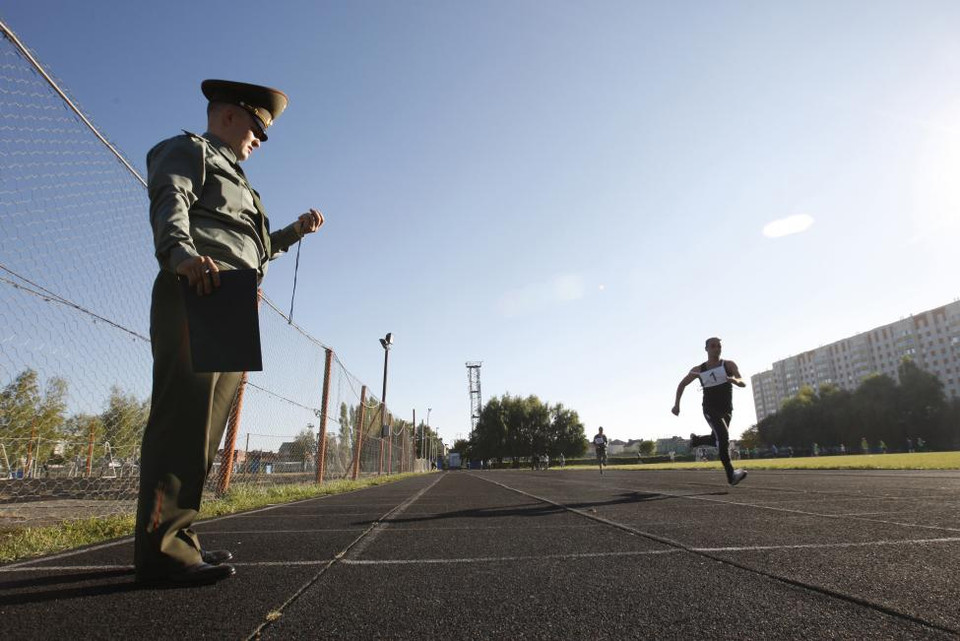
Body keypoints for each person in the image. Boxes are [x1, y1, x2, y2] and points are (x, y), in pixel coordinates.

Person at [134, 79, 325, 586]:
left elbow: (254, 247)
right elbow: (170, 198)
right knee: (182, 423)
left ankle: (180, 539)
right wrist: (181, 255)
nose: (259, 140)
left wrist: (295, 232)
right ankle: (160, 554)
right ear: (227, 116)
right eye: (257, 128)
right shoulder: (189, 150)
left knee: (205, 434)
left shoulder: (242, 184)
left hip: (232, 297)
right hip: (200, 283)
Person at [672, 337, 748, 486]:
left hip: (727, 410)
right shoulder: (699, 369)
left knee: (716, 439)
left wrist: (734, 381)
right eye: (713, 346)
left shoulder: (728, 364)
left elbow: (742, 382)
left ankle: (697, 440)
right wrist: (676, 405)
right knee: (723, 438)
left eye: (719, 346)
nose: (716, 348)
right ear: (706, 349)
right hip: (710, 408)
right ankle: (731, 474)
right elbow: (682, 384)